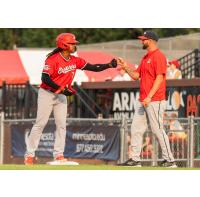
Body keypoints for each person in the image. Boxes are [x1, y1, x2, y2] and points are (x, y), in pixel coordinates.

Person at [24, 32, 118, 165]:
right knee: (40, 123)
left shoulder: (75, 60)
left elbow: (93, 68)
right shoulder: (52, 59)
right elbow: (45, 78)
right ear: (64, 45)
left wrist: (108, 65)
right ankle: (29, 155)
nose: (75, 45)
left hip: (61, 94)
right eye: (72, 43)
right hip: (47, 93)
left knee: (62, 125)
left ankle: (58, 154)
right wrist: (62, 89)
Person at [118, 30, 177, 168]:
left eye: (143, 39)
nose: (141, 41)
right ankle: (135, 159)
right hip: (143, 100)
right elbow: (135, 76)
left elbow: (160, 77)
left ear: (150, 40)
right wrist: (126, 67)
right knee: (136, 128)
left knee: (157, 129)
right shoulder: (145, 58)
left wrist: (150, 96)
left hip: (155, 99)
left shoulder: (159, 56)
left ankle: (170, 160)